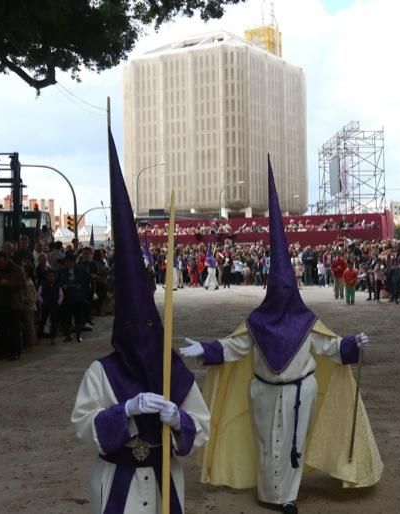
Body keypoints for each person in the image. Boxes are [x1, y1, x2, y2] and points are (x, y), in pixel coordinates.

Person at [179, 159, 381, 514]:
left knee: (293, 444)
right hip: (262, 392)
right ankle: (269, 492)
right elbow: (233, 347)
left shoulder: (306, 323)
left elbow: (330, 349)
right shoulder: (256, 324)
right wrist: (205, 349)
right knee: (264, 444)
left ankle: (286, 496)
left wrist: (352, 344)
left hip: (299, 392)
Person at [72, 132, 210, 514]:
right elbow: (84, 422)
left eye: (149, 329)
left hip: (166, 478)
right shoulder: (102, 372)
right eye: (133, 329)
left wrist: (177, 418)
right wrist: (125, 411)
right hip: (117, 480)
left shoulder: (173, 370)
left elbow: (202, 425)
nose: (142, 338)